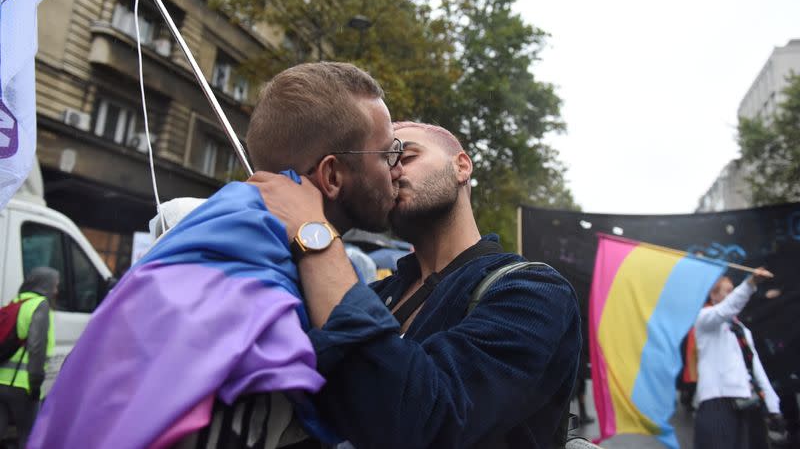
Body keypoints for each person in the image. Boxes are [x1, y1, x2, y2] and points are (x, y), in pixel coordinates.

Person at [29, 62, 404, 449]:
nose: (398, 169)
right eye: (389, 152)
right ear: (332, 176)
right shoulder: (265, 299)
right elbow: (388, 400)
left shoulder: (215, 239)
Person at [252, 121, 582, 448]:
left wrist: (313, 231)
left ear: (461, 166)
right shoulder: (378, 295)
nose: (390, 172)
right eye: (383, 163)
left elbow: (429, 421)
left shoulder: (532, 290)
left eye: (405, 156)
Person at [693, 270, 782, 449]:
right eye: (727, 291)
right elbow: (727, 309)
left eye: (733, 290)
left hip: (744, 402)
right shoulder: (704, 319)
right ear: (713, 295)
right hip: (716, 401)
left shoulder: (741, 329)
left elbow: (756, 367)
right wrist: (750, 284)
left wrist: (773, 406)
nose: (732, 295)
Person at [0, 267, 58, 447]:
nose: (56, 291)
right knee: (29, 437)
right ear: (45, 285)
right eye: (55, 286)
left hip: (1, 382)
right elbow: (36, 346)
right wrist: (35, 383)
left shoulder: (16, 302)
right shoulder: (40, 305)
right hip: (22, 385)